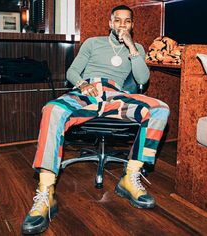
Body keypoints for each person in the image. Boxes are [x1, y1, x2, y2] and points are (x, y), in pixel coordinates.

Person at [22, 5, 170, 235]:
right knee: (52, 110)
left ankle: (130, 177)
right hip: (86, 92)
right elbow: (72, 72)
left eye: (127, 21)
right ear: (110, 23)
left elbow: (142, 78)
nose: (122, 25)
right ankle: (45, 193)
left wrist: (132, 47)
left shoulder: (137, 48)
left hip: (115, 96)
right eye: (117, 20)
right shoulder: (93, 43)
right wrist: (83, 85)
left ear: (132, 25)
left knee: (160, 109)